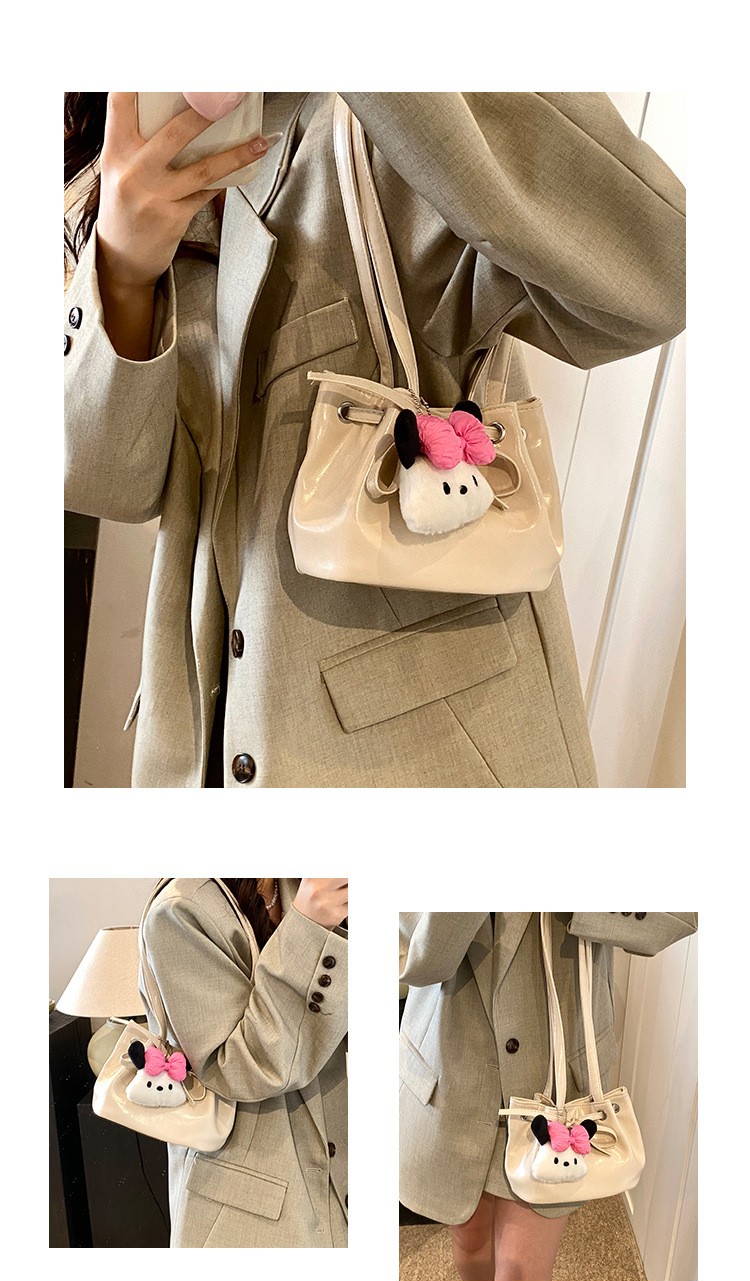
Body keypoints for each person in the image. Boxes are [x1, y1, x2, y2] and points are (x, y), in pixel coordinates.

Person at [64, 93, 686, 788]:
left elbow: (667, 272)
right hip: (207, 736)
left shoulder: (386, 121)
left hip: (424, 763)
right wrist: (123, 270)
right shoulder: (136, 178)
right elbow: (109, 482)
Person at [398, 911, 697, 1281]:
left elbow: (679, 915)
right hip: (452, 1061)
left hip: (556, 1076)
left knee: (521, 1272)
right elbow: (418, 958)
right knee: (470, 1242)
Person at [139, 877, 348, 1247]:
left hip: (335, 1166)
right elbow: (240, 1068)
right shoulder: (179, 910)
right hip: (249, 1206)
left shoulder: (297, 883)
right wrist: (309, 929)